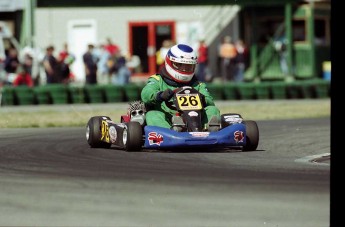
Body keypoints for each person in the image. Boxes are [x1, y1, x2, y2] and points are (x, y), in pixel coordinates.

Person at [141, 43, 221, 132]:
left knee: (212, 109)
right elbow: (145, 94)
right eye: (180, 65)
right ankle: (170, 133)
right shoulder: (157, 80)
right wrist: (160, 95)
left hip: (196, 119)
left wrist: (203, 99)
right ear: (170, 62)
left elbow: (210, 101)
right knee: (152, 114)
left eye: (188, 66)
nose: (184, 69)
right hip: (168, 117)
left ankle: (208, 130)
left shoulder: (198, 85)